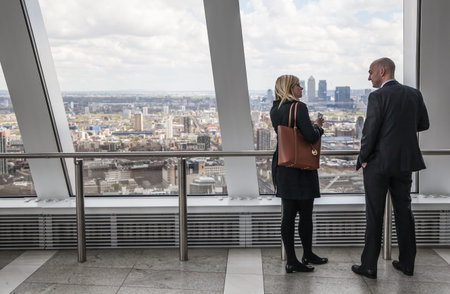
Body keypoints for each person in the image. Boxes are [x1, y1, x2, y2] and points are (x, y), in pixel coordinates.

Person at [352, 58, 429, 279]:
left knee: (375, 215)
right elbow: (424, 124)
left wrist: (362, 158)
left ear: (382, 71)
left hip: (378, 164)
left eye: (370, 72)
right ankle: (407, 263)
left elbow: (370, 131)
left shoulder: (377, 96)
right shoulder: (414, 94)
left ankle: (369, 266)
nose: (369, 77)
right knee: (404, 212)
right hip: (404, 163)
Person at [270, 74, 327, 273]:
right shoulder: (299, 107)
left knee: (288, 216)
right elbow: (310, 137)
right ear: (289, 88)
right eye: (298, 86)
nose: (301, 89)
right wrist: (318, 127)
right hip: (302, 168)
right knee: (305, 215)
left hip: (283, 165)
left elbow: (289, 135)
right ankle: (307, 253)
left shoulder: (274, 109)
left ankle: (292, 260)